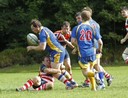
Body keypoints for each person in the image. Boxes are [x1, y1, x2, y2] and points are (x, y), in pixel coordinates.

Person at [27, 19, 74, 89]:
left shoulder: (42, 33)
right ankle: (72, 82)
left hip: (56, 52)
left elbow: (42, 47)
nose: (33, 31)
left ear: (37, 27)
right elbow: (51, 40)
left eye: (33, 29)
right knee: (60, 69)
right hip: (59, 50)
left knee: (54, 71)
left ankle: (69, 84)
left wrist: (32, 47)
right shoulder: (45, 29)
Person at [71, 10, 103, 91]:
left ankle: (95, 74)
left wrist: (77, 47)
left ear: (81, 17)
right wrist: (99, 49)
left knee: (85, 72)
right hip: (92, 52)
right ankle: (93, 88)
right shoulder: (93, 27)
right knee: (90, 69)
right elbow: (100, 42)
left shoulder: (77, 28)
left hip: (83, 53)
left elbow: (73, 41)